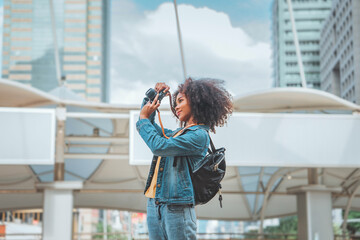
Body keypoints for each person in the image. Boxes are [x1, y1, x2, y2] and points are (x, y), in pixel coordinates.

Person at [136, 77, 232, 240]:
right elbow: (152, 129)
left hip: (177, 207)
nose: (176, 106)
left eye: (180, 101)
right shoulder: (178, 134)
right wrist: (153, 98)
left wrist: (144, 119)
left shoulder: (199, 135)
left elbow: (159, 146)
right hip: (155, 204)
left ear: (196, 102)